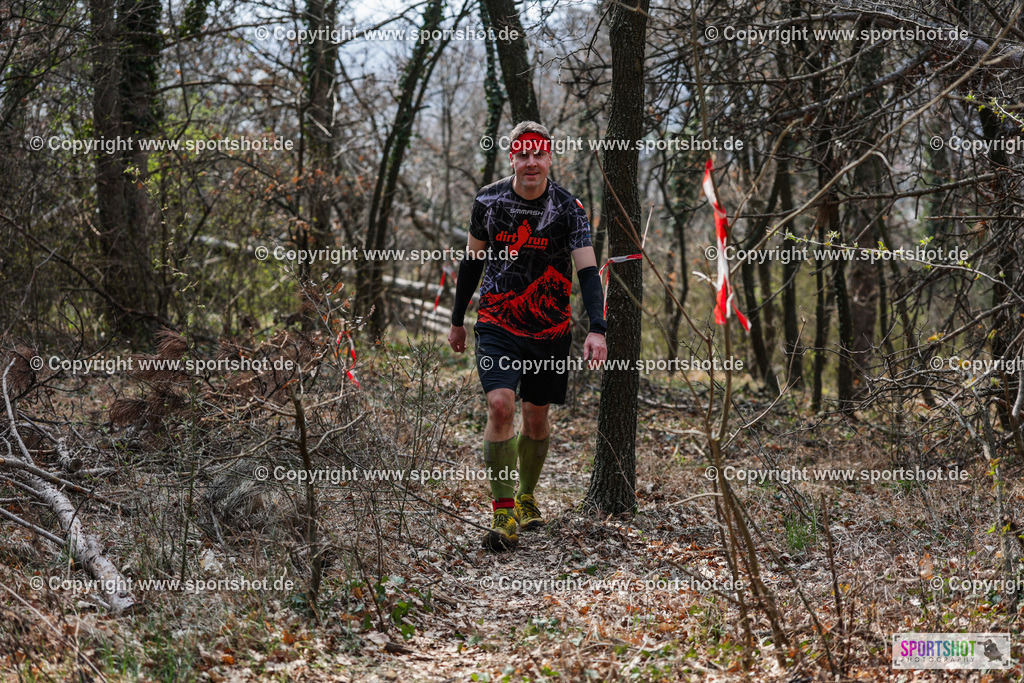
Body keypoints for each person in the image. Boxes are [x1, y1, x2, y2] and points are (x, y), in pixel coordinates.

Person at [447, 121, 608, 551]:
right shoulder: (489, 200)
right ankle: (503, 514)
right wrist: (457, 319)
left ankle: (526, 497)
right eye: (523, 154)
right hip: (498, 321)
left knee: (536, 419)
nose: (531, 162)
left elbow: (588, 271)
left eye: (539, 153)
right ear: (512, 158)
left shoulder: (569, 208)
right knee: (500, 405)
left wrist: (597, 327)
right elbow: (471, 263)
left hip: (551, 328)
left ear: (550, 157)